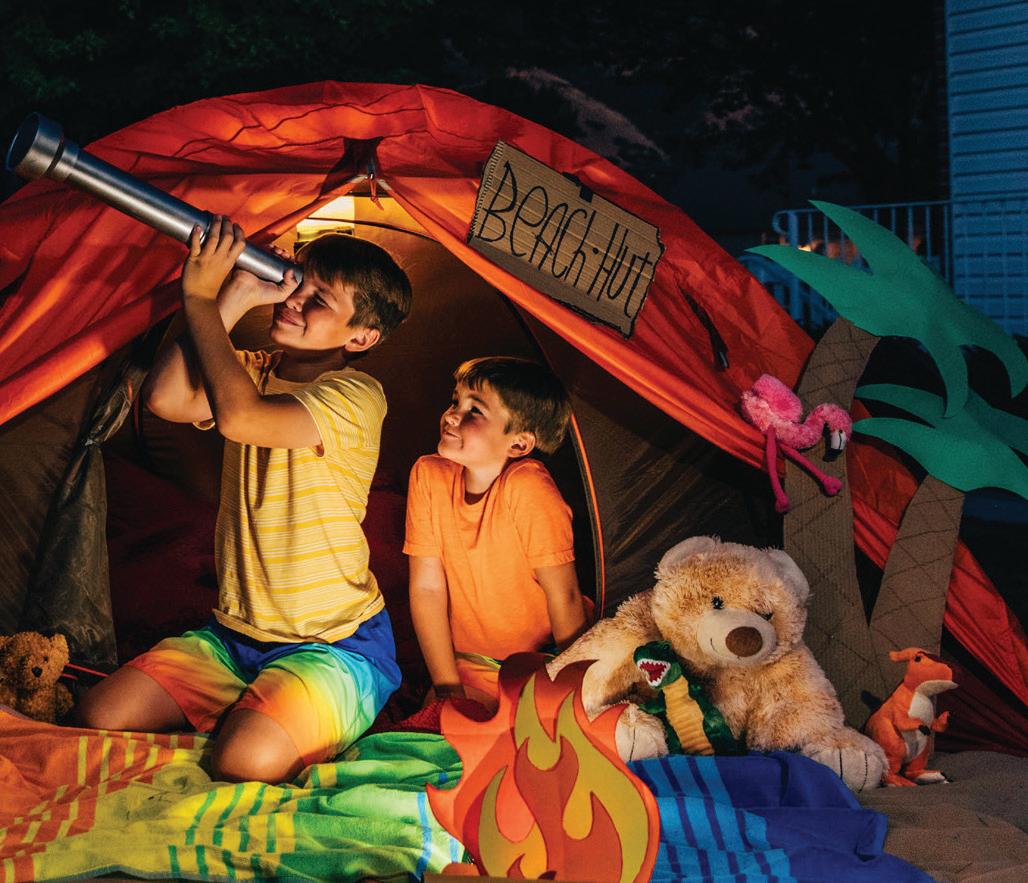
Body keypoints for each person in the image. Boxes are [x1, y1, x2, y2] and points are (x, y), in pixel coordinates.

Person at [75, 217, 412, 785]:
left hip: (333, 643)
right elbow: (164, 398)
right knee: (98, 716)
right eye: (296, 282)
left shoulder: (357, 395)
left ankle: (298, 707)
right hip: (235, 636)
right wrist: (232, 296)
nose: (295, 301)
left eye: (319, 301)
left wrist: (199, 298)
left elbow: (240, 418)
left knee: (243, 762)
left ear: (360, 338)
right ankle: (256, 703)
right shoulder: (253, 369)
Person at [404, 356, 591, 711]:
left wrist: (574, 689)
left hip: (544, 659)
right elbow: (427, 588)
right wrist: (447, 688)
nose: (452, 415)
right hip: (472, 664)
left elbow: (564, 595)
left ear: (518, 444)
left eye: (474, 410)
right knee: (444, 726)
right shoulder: (428, 475)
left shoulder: (527, 487)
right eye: (455, 401)